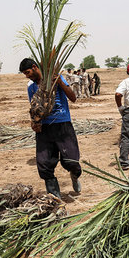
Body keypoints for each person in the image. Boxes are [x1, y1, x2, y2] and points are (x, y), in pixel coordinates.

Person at [19, 58, 82, 198]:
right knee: (44, 163)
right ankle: (54, 197)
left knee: (71, 160)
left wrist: (60, 82)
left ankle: (75, 175)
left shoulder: (55, 79)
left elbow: (73, 98)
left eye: (28, 72)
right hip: (45, 128)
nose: (27, 76)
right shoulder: (31, 87)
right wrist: (34, 123)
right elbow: (34, 109)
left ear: (35, 67)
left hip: (62, 123)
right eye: (24, 74)